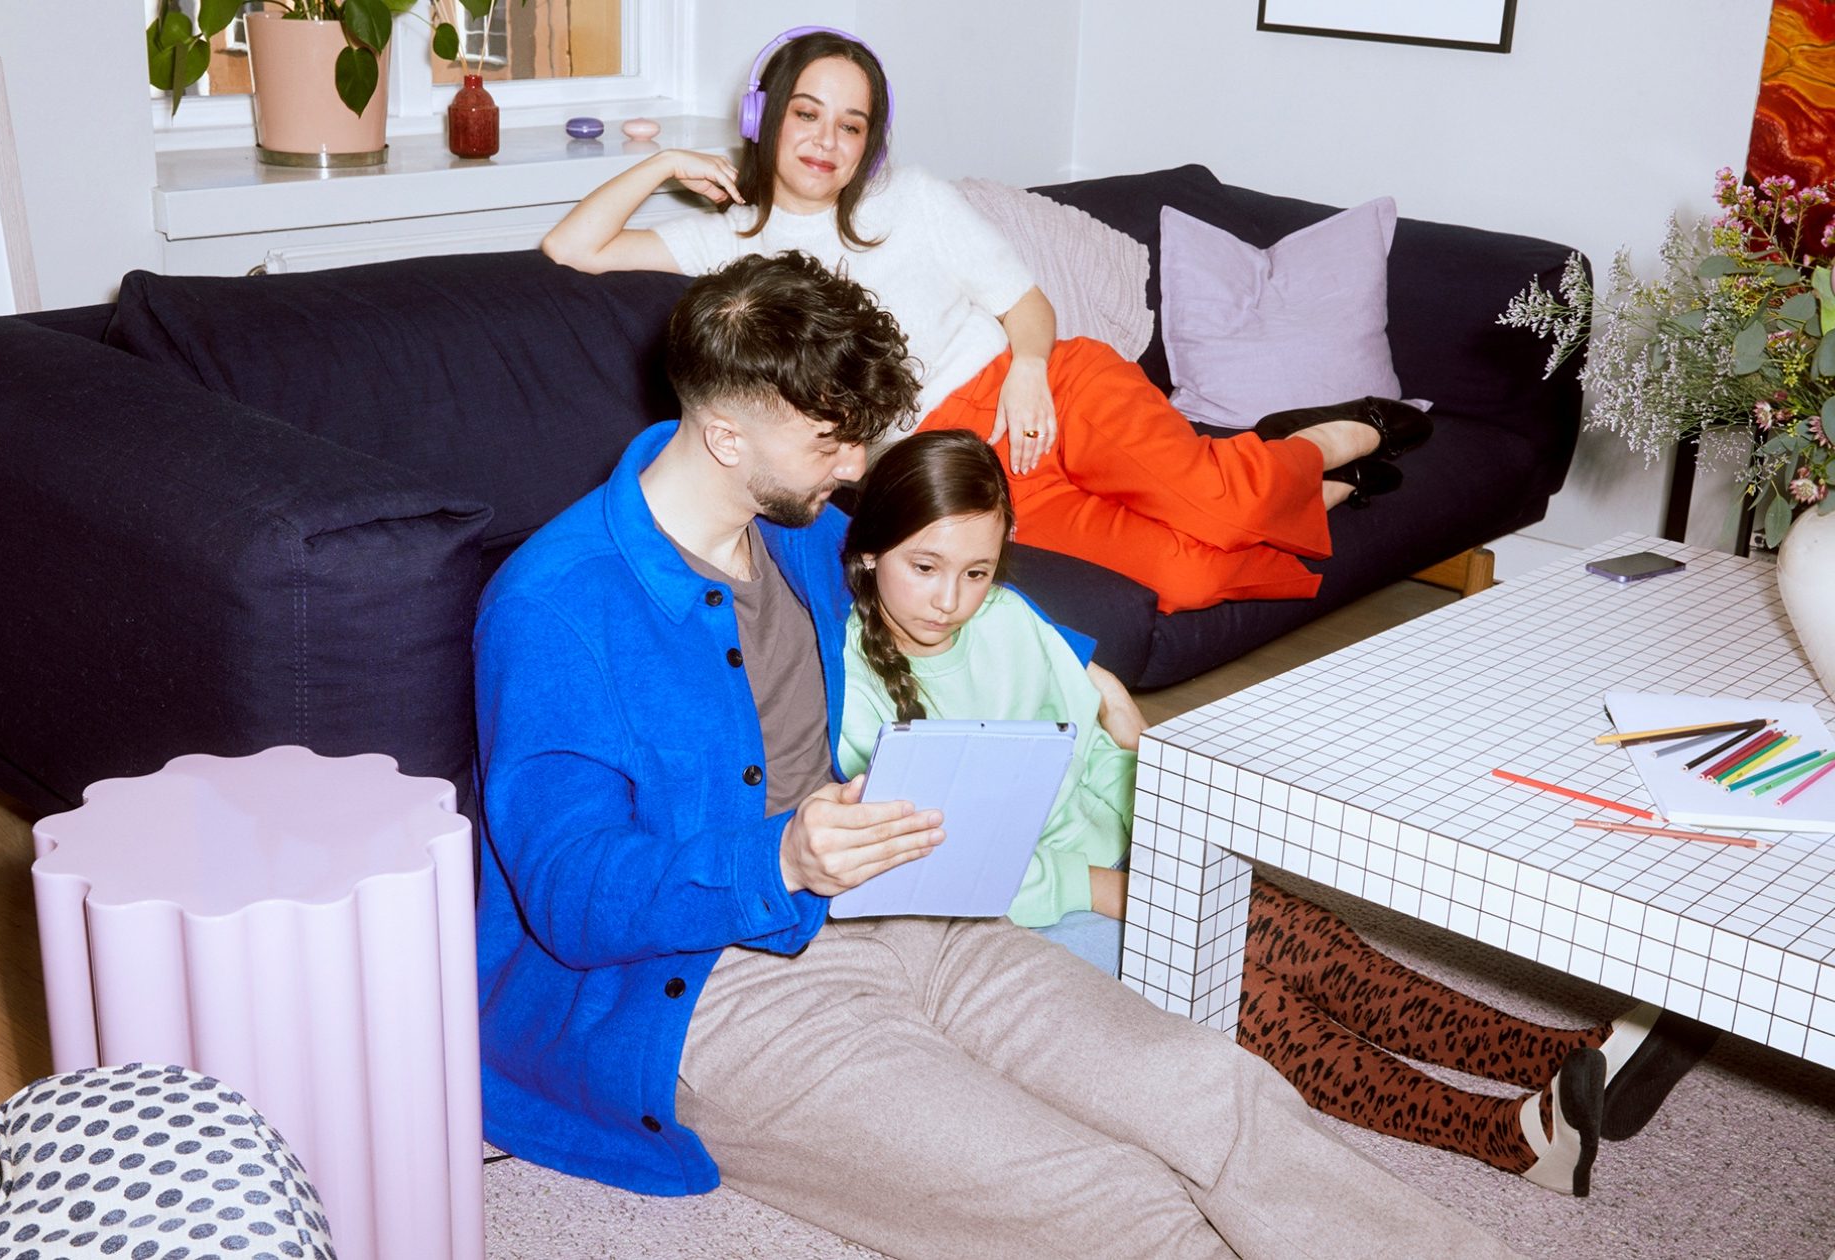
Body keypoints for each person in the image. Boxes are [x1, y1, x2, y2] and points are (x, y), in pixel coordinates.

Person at [474, 249, 1518, 1258]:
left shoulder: (792, 527)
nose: (858, 468)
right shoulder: (555, 607)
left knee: (1214, 1093)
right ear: (725, 435)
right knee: (1095, 1197)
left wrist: (1080, 662)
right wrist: (781, 856)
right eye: (834, 444)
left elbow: (934, 585)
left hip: (899, 907)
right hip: (699, 987)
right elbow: (570, 892)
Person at [833, 427, 1720, 1198]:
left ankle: (1560, 1056)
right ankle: (1504, 1136)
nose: (950, 600)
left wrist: (1168, 833)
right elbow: (931, 863)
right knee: (1240, 994)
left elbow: (1092, 753)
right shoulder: (853, 685)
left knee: (1301, 931)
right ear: (870, 552)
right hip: (1012, 915)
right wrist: (1106, 887)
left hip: (1100, 855)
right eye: (925, 568)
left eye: (977, 571)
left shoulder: (1008, 621)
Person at [540, 26, 1430, 616]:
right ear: (763, 116)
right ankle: (1322, 489)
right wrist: (664, 164)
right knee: (1189, 576)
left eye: (850, 125)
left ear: (870, 142)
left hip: (1043, 389)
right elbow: (574, 247)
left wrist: (1031, 370)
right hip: (959, 473)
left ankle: (1333, 436)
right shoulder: (730, 242)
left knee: (1218, 504)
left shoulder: (916, 201)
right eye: (806, 115)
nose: (825, 141)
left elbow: (1026, 306)